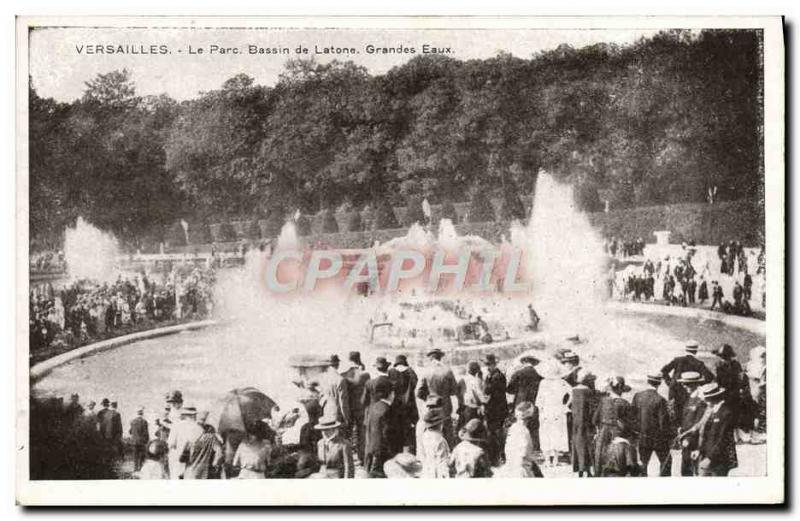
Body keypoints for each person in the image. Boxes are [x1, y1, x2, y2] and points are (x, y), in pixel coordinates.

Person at [660, 340, 714, 421]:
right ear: (695, 350)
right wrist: (697, 384)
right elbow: (709, 377)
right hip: (689, 392)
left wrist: (669, 382)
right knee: (687, 415)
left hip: (674, 391)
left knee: (673, 414)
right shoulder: (698, 363)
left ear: (686, 349)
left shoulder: (677, 360)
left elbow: (664, 370)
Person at [416, 348, 459, 447]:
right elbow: (454, 391)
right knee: (447, 432)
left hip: (431, 406)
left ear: (430, 358)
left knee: (432, 431)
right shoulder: (447, 370)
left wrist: (428, 397)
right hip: (445, 406)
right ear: (440, 357)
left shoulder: (426, 371)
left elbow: (418, 392)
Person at [592, 376, 634, 477]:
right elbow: (630, 425)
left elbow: (594, 420)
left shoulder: (603, 401)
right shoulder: (624, 403)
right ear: (620, 388)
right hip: (618, 435)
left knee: (600, 462)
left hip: (603, 436)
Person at [631, 374, 672, 476]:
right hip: (658, 439)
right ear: (659, 383)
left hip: (642, 437)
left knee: (643, 465)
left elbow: (632, 417)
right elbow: (663, 423)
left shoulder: (637, 396)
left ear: (648, 382)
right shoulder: (660, 399)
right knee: (666, 463)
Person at [696, 382, 738, 476]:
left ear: (714, 398)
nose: (705, 401)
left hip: (718, 460)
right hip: (706, 456)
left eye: (707, 399)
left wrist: (710, 458)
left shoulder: (726, 413)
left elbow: (722, 439)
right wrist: (699, 450)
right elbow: (705, 434)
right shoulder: (712, 411)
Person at [712, 344, 753, 439]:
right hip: (733, 392)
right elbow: (741, 378)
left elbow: (717, 380)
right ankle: (736, 435)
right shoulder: (735, 364)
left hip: (725, 392)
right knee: (734, 413)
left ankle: (733, 434)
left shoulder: (719, 365)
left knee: (729, 413)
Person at [507, 355, 543, 451]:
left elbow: (509, 389)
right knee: (534, 424)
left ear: (523, 363)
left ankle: (521, 445)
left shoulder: (518, 373)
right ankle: (535, 447)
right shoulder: (539, 374)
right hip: (534, 401)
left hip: (521, 401)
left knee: (521, 423)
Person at [675, 371, 708, 476]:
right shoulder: (689, 398)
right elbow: (686, 418)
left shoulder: (701, 401)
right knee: (685, 470)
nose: (685, 386)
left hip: (694, 440)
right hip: (686, 439)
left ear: (696, 384)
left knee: (694, 469)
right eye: (684, 383)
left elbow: (699, 423)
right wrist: (681, 428)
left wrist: (689, 438)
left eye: (688, 384)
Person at [500, 401, 543, 478]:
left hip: (510, 466)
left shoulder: (512, 428)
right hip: (521, 469)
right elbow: (523, 453)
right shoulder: (524, 431)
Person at [538, 371, 571, 467]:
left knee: (545, 433)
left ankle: (547, 460)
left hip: (546, 409)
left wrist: (540, 412)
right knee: (557, 433)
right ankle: (555, 459)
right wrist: (566, 405)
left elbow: (539, 400)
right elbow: (572, 393)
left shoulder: (543, 382)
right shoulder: (562, 382)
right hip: (558, 409)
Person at [364, 378, 395, 478]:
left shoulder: (374, 407)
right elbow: (387, 435)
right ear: (390, 393)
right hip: (382, 454)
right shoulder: (388, 410)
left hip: (371, 451)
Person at [482, 354, 508, 466]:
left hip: (496, 409)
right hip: (495, 408)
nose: (487, 367)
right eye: (486, 365)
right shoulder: (492, 375)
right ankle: (497, 455)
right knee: (495, 432)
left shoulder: (497, 376)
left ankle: (500, 455)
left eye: (489, 365)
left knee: (497, 432)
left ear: (494, 364)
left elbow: (488, 391)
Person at [571, 369, 597, 477]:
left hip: (576, 421)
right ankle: (587, 469)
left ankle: (580, 468)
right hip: (586, 421)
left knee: (577, 443)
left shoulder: (573, 390)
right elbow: (592, 408)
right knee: (587, 445)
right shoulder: (588, 391)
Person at [184, 411, 224, 479]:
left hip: (189, 473)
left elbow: (184, 457)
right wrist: (215, 465)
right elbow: (219, 454)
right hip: (203, 473)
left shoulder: (189, 435)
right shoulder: (211, 437)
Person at [166, 405, 203, 479]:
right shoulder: (200, 429)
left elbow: (171, 444)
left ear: (184, 415)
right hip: (193, 463)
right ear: (194, 415)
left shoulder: (176, 426)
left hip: (178, 461)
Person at [392, 355, 419, 453]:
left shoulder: (391, 372)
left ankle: (397, 451)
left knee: (397, 428)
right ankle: (411, 451)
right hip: (409, 405)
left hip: (396, 405)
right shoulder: (410, 372)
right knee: (410, 430)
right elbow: (416, 384)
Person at [347, 351, 370, 464]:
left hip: (350, 408)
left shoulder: (346, 374)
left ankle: (348, 457)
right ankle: (361, 457)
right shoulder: (365, 374)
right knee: (362, 433)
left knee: (348, 433)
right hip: (362, 407)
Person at [418, 409, 451, 478]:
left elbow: (421, 453)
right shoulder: (440, 440)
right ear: (440, 425)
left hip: (426, 469)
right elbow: (442, 461)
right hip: (438, 472)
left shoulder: (425, 435)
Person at [461, 360, 488, 426]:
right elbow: (479, 395)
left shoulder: (464, 379)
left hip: (466, 408)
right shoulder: (476, 380)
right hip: (474, 409)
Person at [129, 406, 150, 472]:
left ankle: (135, 469)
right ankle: (140, 469)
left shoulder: (132, 421)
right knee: (141, 457)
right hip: (141, 442)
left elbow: (130, 431)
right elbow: (146, 433)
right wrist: (146, 441)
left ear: (137, 413)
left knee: (135, 456)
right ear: (142, 413)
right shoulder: (144, 422)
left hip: (134, 442)